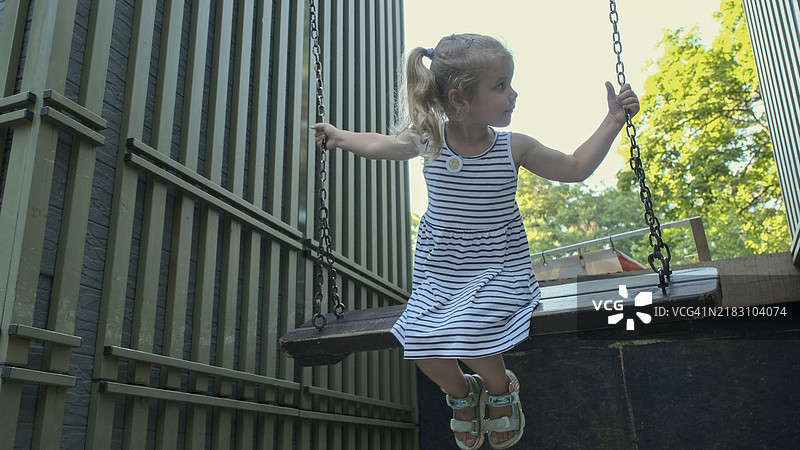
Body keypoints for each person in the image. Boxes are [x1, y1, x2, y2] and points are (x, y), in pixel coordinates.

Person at [312, 33, 639, 450]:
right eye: (500, 86)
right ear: (460, 98)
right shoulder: (429, 140)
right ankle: (462, 394)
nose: (513, 94)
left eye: (510, 84)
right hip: (441, 271)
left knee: (470, 328)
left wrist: (613, 121)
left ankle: (503, 389)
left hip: (498, 267)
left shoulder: (513, 147)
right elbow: (382, 144)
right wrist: (340, 136)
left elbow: (575, 167)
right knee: (417, 339)